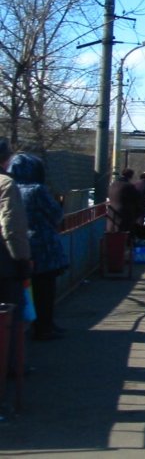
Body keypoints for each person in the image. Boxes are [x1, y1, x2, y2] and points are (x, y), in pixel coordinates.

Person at [8, 154, 68, 341]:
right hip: (44, 246)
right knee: (45, 290)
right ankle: (45, 326)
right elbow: (56, 215)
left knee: (25, 291)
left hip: (19, 247)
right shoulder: (37, 190)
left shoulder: (10, 188)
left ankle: (32, 326)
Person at [0, 139, 31, 380]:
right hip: (5, 264)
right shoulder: (6, 184)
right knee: (11, 318)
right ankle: (11, 367)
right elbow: (12, 226)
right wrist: (22, 259)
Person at [106, 168, 141, 235]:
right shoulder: (129, 186)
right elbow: (137, 198)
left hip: (111, 213)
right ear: (130, 176)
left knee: (112, 235)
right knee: (123, 236)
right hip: (124, 214)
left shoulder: (113, 185)